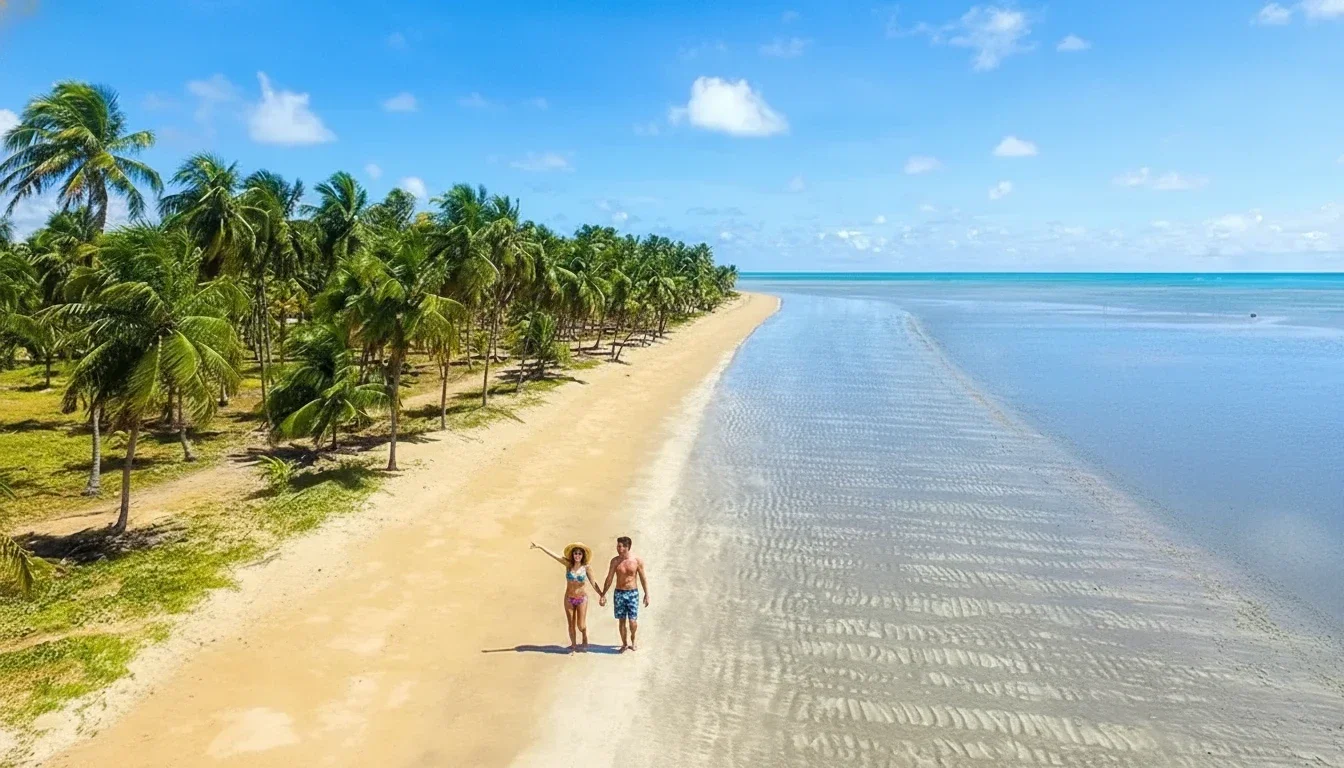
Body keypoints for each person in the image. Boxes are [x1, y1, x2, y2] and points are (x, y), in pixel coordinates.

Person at [531, 541, 604, 653]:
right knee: (571, 623)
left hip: (582, 599)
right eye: (575, 553)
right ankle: (573, 646)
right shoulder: (568, 565)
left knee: (581, 625)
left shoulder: (586, 568)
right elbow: (554, 556)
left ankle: (584, 635)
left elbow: (593, 582)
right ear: (572, 555)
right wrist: (540, 546)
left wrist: (601, 594)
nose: (577, 555)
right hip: (568, 598)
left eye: (580, 553)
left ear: (583, 555)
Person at [599, 536, 649, 652]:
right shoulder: (615, 561)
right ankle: (624, 644)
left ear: (627, 547)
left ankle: (633, 639)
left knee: (632, 621)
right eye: (618, 546)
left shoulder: (637, 560)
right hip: (619, 593)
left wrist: (647, 594)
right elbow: (609, 578)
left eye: (620, 546)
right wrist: (603, 594)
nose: (618, 548)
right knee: (621, 620)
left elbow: (643, 578)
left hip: (633, 593)